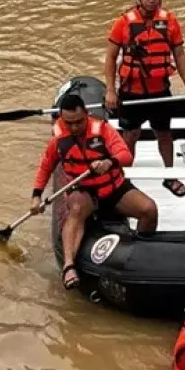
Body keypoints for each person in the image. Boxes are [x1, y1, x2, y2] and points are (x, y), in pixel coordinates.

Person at [31, 94, 158, 290]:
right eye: (69, 123)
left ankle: (140, 253)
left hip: (112, 188)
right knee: (76, 210)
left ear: (87, 115)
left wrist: (110, 162)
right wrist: (36, 196)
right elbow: (45, 168)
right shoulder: (58, 140)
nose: (74, 127)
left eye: (79, 122)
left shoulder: (103, 130)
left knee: (149, 209)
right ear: (62, 120)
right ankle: (69, 266)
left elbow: (125, 155)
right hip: (83, 191)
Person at [104, 0, 185, 197]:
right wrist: (110, 90)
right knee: (130, 136)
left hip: (160, 91)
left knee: (164, 134)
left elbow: (180, 54)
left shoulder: (170, 21)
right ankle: (124, 181)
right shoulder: (123, 23)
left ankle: (170, 176)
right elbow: (110, 57)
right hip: (132, 92)